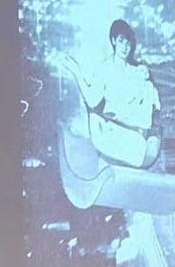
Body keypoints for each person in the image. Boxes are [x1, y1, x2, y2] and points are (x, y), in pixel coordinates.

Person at [59, 19, 162, 169]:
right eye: (121, 41)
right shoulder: (105, 69)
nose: (125, 47)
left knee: (148, 89)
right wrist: (77, 72)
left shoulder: (137, 71)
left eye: (128, 43)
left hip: (142, 137)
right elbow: (93, 101)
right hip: (118, 135)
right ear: (114, 41)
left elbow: (152, 106)